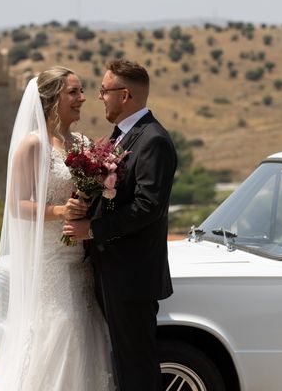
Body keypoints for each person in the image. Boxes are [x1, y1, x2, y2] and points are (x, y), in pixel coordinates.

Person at [0, 66, 113, 390]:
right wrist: (60, 211)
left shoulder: (83, 144)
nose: (82, 98)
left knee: (86, 336)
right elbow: (16, 205)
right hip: (51, 264)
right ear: (51, 98)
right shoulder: (33, 145)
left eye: (82, 91)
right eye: (74, 92)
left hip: (80, 264)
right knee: (61, 333)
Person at [63, 59, 177, 391]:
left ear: (124, 95)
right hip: (112, 271)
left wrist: (94, 229)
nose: (99, 97)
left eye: (104, 90)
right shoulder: (120, 137)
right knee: (122, 365)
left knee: (137, 367)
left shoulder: (153, 140)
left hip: (132, 276)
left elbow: (148, 207)